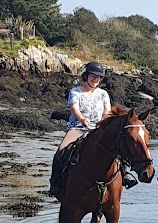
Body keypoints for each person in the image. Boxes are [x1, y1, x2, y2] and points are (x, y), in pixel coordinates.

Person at [49, 61, 137, 199]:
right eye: (93, 76)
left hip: (98, 129)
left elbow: (107, 112)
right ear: (86, 75)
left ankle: (125, 176)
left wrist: (103, 124)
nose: (95, 79)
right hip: (78, 128)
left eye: (98, 77)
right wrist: (82, 119)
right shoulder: (75, 92)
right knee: (61, 151)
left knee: (118, 148)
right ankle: (55, 184)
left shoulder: (103, 94)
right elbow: (74, 108)